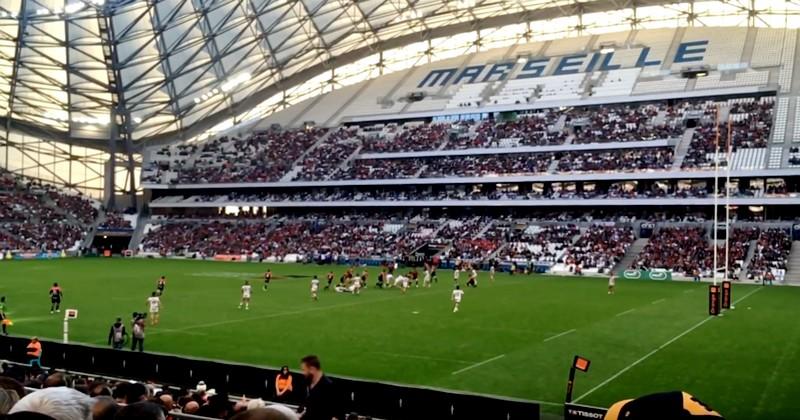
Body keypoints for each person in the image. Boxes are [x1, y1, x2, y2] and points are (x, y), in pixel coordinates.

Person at [299, 355, 340, 420]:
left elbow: (337, 415)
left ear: (312, 369)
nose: (303, 373)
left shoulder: (329, 387)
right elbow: (311, 410)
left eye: (304, 370)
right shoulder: (308, 382)